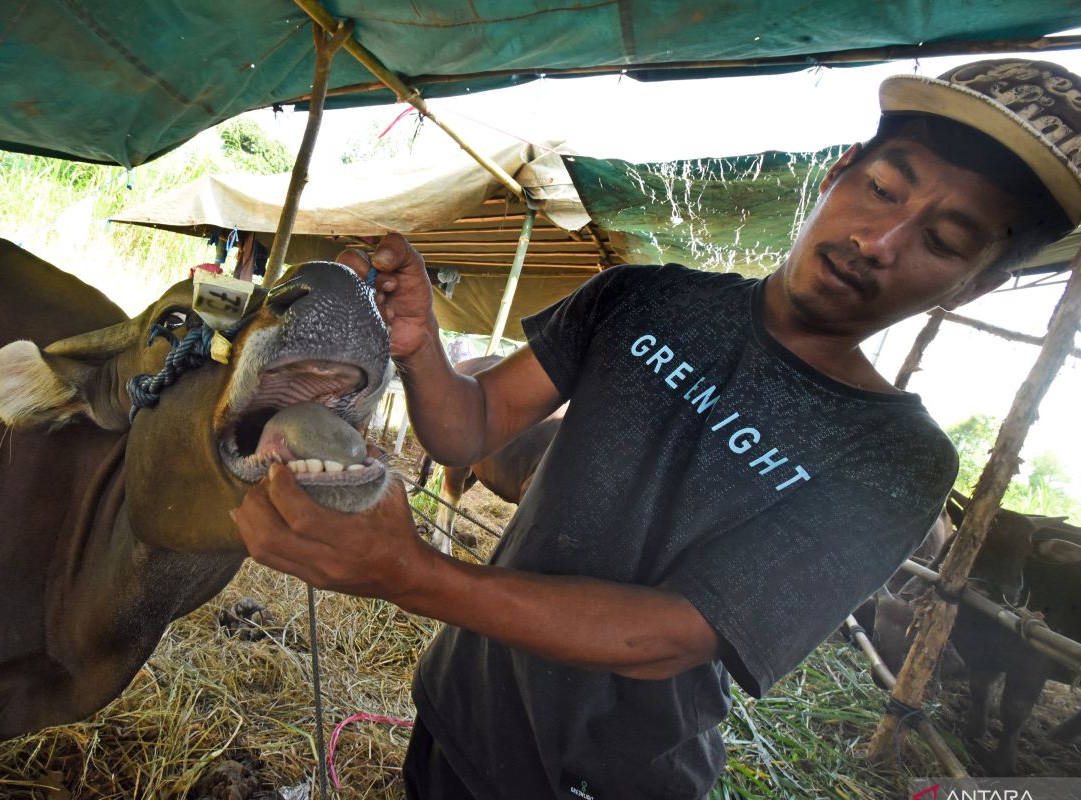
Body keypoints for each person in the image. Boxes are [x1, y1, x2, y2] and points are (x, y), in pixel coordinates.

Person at [231, 59, 1081, 799]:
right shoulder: (643, 296)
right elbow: (473, 430)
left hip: (605, 779)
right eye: (884, 189)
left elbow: (669, 635)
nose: (879, 239)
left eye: (944, 237)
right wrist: (419, 353)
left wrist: (407, 572)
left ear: (974, 283)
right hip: (458, 706)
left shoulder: (896, 459)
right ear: (839, 172)